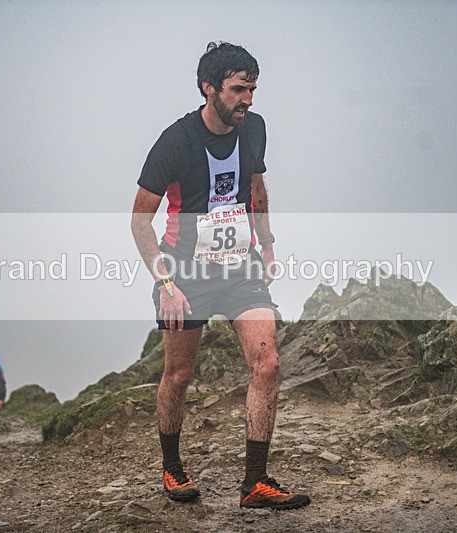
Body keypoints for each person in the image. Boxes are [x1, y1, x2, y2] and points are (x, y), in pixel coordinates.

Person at [130, 42, 310, 510]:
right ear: (208, 88)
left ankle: (255, 482)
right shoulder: (175, 142)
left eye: (252, 88)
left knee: (267, 364)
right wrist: (165, 283)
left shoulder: (254, 130)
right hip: (184, 273)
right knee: (179, 374)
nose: (247, 99)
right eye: (237, 89)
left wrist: (267, 246)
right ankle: (172, 468)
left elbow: (255, 187)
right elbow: (139, 221)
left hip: (241, 268)